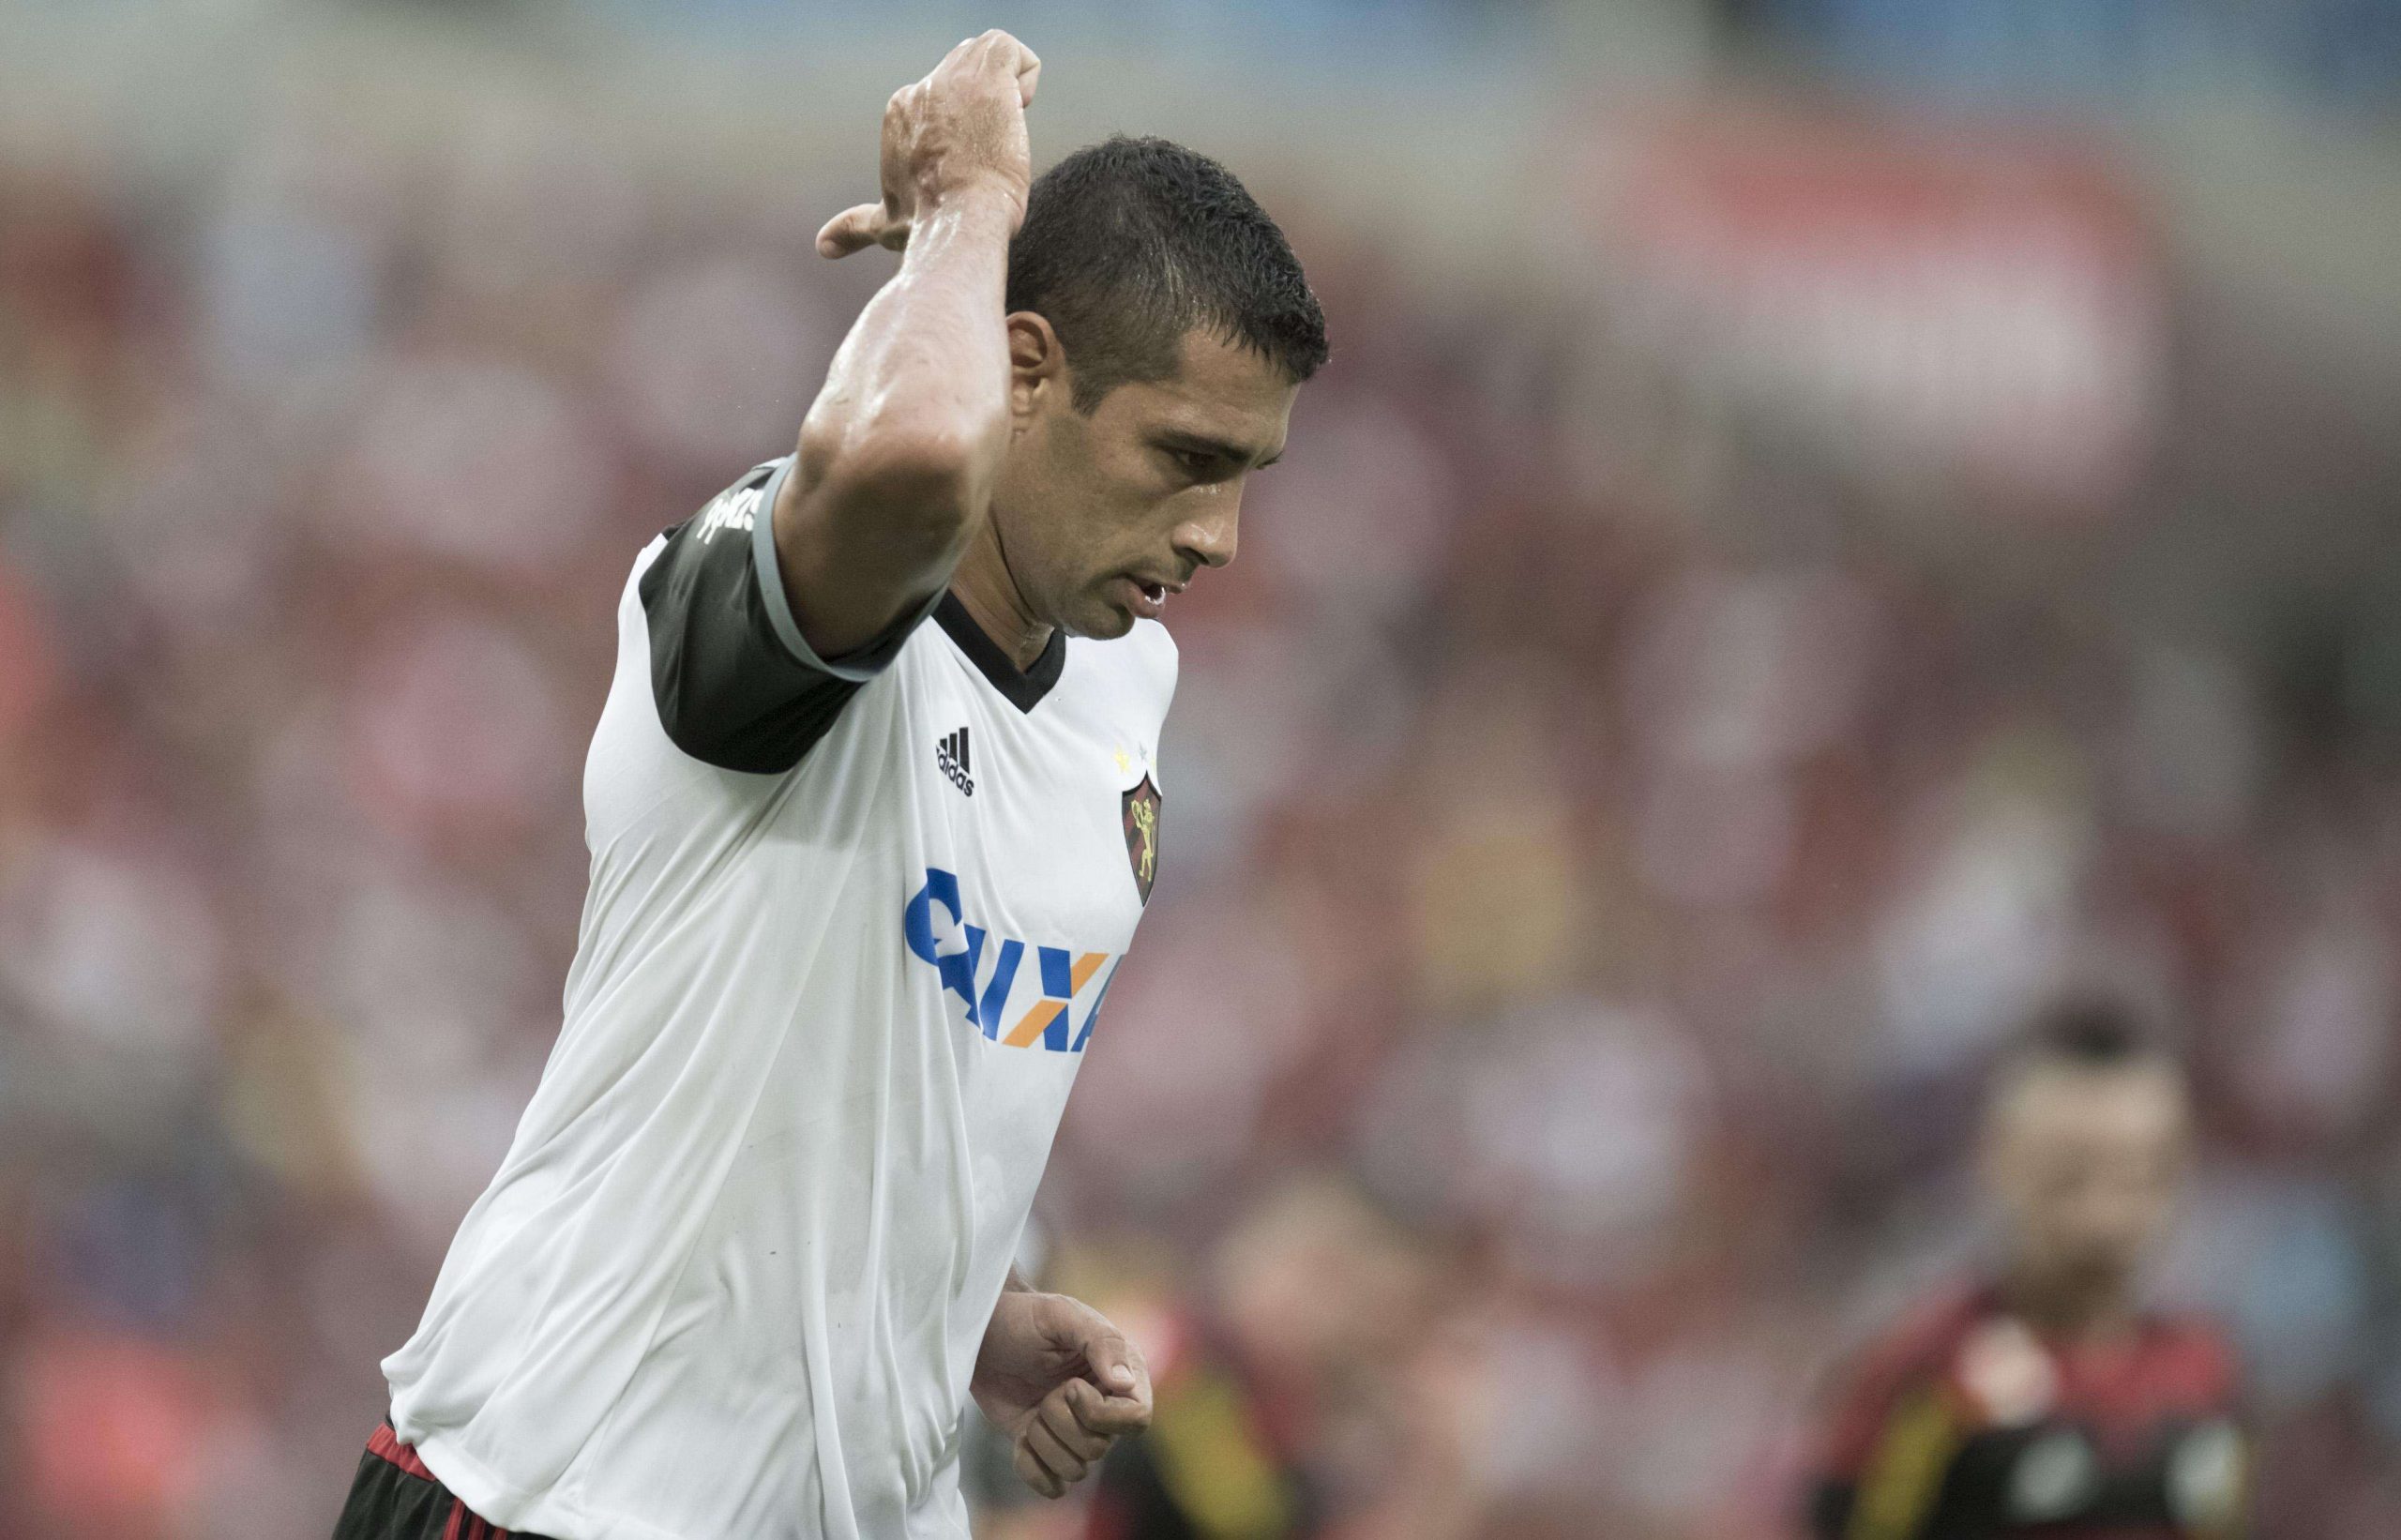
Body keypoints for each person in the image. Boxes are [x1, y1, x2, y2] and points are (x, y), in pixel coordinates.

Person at [330, 30, 1328, 1540]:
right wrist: (969, 209)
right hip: (563, 1496)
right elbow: (907, 463)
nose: (1219, 535)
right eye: (1186, 456)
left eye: (1249, 473)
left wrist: (959, 1316)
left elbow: (877, 1085)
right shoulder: (773, 603)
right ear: (1023, 368)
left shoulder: (1125, 687)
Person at [1803, 1000, 2248, 1540]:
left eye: (2139, 1175)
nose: (2104, 1217)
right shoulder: (1930, 1372)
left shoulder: (2205, 1375)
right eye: (2069, 1176)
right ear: (1998, 1161)